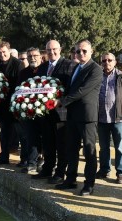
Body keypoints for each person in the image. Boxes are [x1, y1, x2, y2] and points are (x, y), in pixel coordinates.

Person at [55, 39, 103, 196]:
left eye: (84, 51)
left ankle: (89, 184)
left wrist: (62, 101)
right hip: (72, 115)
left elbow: (83, 90)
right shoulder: (76, 67)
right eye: (77, 51)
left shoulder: (96, 69)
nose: (80, 53)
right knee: (71, 149)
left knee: (89, 151)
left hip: (87, 116)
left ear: (91, 52)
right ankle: (70, 180)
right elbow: (69, 88)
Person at [32, 40, 75, 185]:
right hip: (45, 112)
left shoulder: (69, 65)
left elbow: (71, 89)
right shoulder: (43, 67)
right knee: (47, 142)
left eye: (54, 49)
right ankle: (47, 169)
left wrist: (61, 100)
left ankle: (60, 172)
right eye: (49, 50)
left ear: (60, 49)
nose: (52, 52)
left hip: (61, 112)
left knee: (61, 144)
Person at [96, 52, 122, 184]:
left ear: (115, 62)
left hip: (119, 119)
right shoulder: (97, 76)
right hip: (101, 119)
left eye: (109, 60)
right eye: (104, 61)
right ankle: (104, 169)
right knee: (103, 147)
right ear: (101, 62)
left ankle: (121, 172)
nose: (107, 62)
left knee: (120, 147)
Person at [0, 42, 22, 165]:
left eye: (4, 52)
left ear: (9, 51)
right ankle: (4, 156)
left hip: (14, 103)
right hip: (1, 104)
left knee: (19, 132)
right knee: (4, 132)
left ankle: (24, 159)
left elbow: (19, 84)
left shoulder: (17, 64)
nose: (2, 54)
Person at [16, 47, 42, 172]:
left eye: (35, 55)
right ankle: (31, 162)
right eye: (30, 56)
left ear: (40, 56)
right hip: (29, 110)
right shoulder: (23, 73)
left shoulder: (45, 70)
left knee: (45, 137)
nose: (33, 58)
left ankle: (42, 160)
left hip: (45, 110)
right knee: (31, 135)